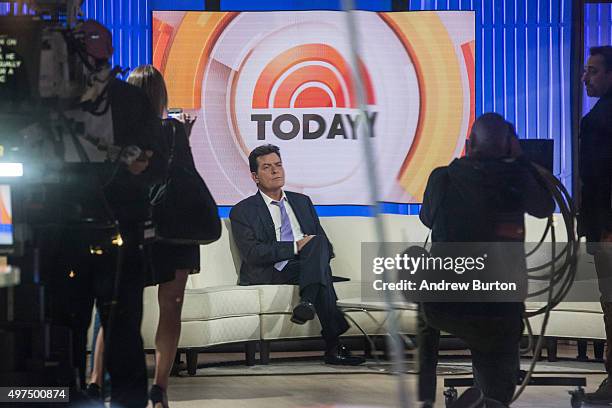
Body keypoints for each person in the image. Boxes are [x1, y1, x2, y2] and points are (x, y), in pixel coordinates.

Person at [43, 20, 166, 407]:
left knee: (123, 330)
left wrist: (139, 165)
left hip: (121, 231)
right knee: (62, 327)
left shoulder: (131, 101)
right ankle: (62, 396)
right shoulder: (48, 104)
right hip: (62, 230)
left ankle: (127, 401)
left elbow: (158, 164)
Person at [417, 113, 554, 407]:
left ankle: (426, 396)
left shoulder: (442, 177)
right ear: (508, 146)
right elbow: (545, 207)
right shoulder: (516, 179)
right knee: (496, 366)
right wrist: (521, 160)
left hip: (441, 303)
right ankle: (489, 398)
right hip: (495, 307)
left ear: (469, 145)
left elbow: (427, 219)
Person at [87, 65, 200, 408]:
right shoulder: (173, 130)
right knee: (171, 307)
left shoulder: (115, 134)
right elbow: (183, 180)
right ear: (162, 95)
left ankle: (95, 380)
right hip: (175, 230)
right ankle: (159, 387)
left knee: (116, 307)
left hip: (135, 224)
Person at [229, 144, 364, 366]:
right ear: (255, 176)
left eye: (278, 165)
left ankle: (308, 302)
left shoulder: (302, 202)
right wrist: (295, 247)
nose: (275, 171)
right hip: (272, 270)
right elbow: (252, 253)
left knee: (318, 245)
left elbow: (326, 248)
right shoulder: (243, 210)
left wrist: (309, 249)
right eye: (267, 167)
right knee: (320, 273)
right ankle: (332, 345)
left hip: (305, 265)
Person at [578, 45, 612, 404]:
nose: (585, 77)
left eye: (593, 70)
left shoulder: (599, 120)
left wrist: (603, 228)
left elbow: (600, 179)